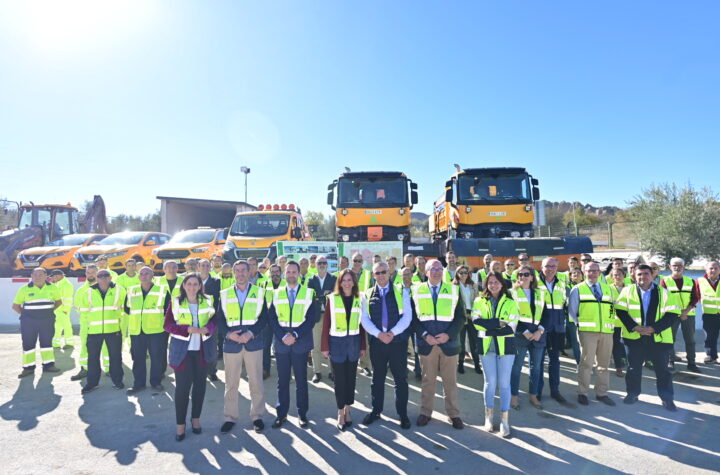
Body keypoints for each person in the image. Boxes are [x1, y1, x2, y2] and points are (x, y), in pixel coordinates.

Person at [615, 264, 679, 411]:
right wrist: (635, 327)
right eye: (639, 274)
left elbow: (672, 314)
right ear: (634, 276)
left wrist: (653, 328)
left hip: (657, 338)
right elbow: (621, 311)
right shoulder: (627, 291)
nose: (642, 277)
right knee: (633, 369)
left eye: (646, 274)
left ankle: (667, 399)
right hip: (634, 337)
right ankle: (632, 394)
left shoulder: (664, 292)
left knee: (663, 371)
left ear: (652, 275)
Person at [412, 259, 465, 429]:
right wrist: (425, 335)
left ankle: (454, 414)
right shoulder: (416, 290)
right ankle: (426, 412)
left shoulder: (454, 290)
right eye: (432, 269)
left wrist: (448, 335)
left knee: (450, 381)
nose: (436, 271)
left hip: (448, 344)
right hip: (427, 343)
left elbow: (460, 318)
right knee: (428, 381)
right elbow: (412, 318)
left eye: (439, 269)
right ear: (425, 272)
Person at [165, 273, 218, 441]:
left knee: (200, 387)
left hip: (202, 351)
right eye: (189, 284)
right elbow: (167, 325)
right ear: (184, 285)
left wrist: (208, 328)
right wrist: (186, 329)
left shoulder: (208, 301)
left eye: (196, 284)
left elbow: (215, 320)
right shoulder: (175, 302)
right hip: (183, 351)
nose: (192, 287)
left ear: (200, 286)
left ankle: (196, 420)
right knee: (182, 389)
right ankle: (180, 425)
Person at [361, 262, 413, 429]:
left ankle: (403, 414)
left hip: (397, 342)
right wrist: (379, 334)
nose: (381, 275)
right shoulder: (367, 294)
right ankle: (376, 411)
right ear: (373, 275)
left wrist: (392, 333)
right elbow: (364, 319)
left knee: (400, 380)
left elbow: (407, 317)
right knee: (377, 379)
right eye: (378, 273)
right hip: (377, 343)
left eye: (384, 272)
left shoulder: (401, 291)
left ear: (389, 273)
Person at [218, 260, 269, 434]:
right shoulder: (224, 294)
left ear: (249, 272)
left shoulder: (259, 292)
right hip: (231, 344)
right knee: (231, 384)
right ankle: (230, 417)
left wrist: (251, 333)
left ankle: (257, 416)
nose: (240, 274)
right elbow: (219, 320)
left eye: (243, 271)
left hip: (253, 343)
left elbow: (264, 318)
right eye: (237, 271)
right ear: (233, 273)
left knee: (256, 382)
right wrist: (228, 334)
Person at [268, 260, 317, 428]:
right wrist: (283, 336)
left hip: (300, 342)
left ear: (298, 273)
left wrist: (295, 334)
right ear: (284, 274)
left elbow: (312, 319)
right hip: (282, 343)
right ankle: (281, 415)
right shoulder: (276, 293)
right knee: (282, 381)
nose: (291, 275)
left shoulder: (309, 293)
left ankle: (302, 414)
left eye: (293, 272)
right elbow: (272, 319)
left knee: (301, 380)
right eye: (288, 272)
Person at [471, 272, 518, 438]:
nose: (493, 285)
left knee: (504, 383)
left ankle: (505, 420)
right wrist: (498, 323)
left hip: (506, 347)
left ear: (502, 284)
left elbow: (511, 327)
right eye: (490, 282)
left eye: (496, 282)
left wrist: (489, 326)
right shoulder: (478, 300)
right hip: (486, 348)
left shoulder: (511, 302)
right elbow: (476, 323)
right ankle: (489, 417)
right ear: (486, 284)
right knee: (490, 382)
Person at [321, 269, 367, 430]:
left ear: (354, 282)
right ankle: (340, 411)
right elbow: (326, 323)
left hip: (353, 344)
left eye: (349, 280)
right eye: (344, 280)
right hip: (337, 344)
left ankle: (348, 409)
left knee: (351, 380)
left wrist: (362, 345)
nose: (347, 283)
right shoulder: (332, 299)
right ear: (339, 283)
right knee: (339, 381)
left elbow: (362, 325)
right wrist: (325, 347)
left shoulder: (360, 299)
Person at [568, 261, 616, 406]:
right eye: (589, 271)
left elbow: (612, 309)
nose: (592, 273)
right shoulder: (577, 289)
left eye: (595, 271)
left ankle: (602, 393)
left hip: (606, 332)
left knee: (604, 365)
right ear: (584, 272)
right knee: (586, 363)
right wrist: (581, 325)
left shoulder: (608, 289)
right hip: (587, 332)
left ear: (599, 273)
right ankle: (582, 392)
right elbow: (572, 312)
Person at [76, 269, 127, 393]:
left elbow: (125, 307)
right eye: (100, 276)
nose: (103, 278)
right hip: (94, 331)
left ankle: (118, 381)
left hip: (113, 330)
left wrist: (116, 318)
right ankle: (92, 383)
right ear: (97, 278)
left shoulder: (120, 290)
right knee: (93, 358)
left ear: (110, 277)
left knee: (115, 358)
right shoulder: (88, 292)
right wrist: (90, 323)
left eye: (106, 275)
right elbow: (83, 311)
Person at [12, 268, 62, 378]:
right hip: (29, 323)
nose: (37, 277)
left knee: (47, 343)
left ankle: (48, 365)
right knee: (28, 344)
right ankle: (28, 368)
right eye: (35, 274)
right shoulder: (24, 289)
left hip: (47, 321)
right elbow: (15, 306)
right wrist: (26, 316)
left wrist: (48, 312)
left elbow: (58, 302)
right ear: (31, 276)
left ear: (46, 276)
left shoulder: (52, 288)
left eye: (40, 274)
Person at [509, 265, 546, 410]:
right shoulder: (512, 293)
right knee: (516, 367)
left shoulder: (540, 293)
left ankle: (533, 395)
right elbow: (510, 315)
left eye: (526, 274)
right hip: (520, 335)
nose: (522, 277)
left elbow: (546, 315)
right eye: (520, 275)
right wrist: (523, 331)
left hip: (538, 335)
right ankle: (514, 397)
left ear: (532, 277)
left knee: (536, 368)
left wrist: (540, 331)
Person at [125, 266, 167, 394]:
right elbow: (127, 309)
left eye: (147, 273)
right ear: (138, 276)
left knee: (156, 358)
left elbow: (168, 310)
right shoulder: (132, 291)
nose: (144, 276)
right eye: (142, 274)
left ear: (152, 276)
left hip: (156, 331)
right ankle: (139, 384)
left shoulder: (162, 290)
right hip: (137, 331)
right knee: (138, 359)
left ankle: (156, 382)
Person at [536, 258, 569, 404]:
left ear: (557, 267)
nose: (550, 269)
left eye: (553, 266)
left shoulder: (562, 283)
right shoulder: (534, 282)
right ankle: (537, 392)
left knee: (555, 361)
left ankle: (555, 391)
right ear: (541, 267)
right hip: (541, 327)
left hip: (557, 328)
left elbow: (564, 304)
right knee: (538, 361)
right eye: (547, 266)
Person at [659, 258, 700, 373]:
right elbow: (663, 299)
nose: (677, 268)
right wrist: (677, 313)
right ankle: (670, 361)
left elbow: (695, 298)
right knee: (670, 339)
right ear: (670, 267)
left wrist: (685, 312)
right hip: (671, 315)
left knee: (690, 340)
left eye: (679, 266)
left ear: (684, 267)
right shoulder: (665, 281)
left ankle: (691, 363)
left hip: (688, 315)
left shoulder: (690, 280)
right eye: (674, 265)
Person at [70, 265, 108, 381]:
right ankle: (85, 369)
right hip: (87, 326)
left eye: (93, 272)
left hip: (105, 325)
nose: (90, 275)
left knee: (106, 348)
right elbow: (78, 307)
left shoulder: (106, 288)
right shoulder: (81, 290)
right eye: (88, 272)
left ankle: (109, 368)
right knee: (85, 348)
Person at [308, 256, 337, 383]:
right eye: (320, 263)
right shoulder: (311, 279)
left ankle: (332, 372)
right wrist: (320, 296)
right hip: (316, 315)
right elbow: (309, 296)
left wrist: (329, 293)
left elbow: (337, 295)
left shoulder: (333, 279)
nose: (322, 265)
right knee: (315, 345)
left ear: (327, 265)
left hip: (330, 315)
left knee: (331, 344)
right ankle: (317, 372)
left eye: (324, 263)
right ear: (315, 264)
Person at [454, 265, 481, 374]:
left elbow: (478, 301)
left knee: (474, 341)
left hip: (472, 315)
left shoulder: (473, 285)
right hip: (460, 316)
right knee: (460, 341)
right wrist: (464, 314)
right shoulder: (454, 286)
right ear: (457, 274)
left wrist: (473, 314)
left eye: (466, 272)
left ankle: (477, 364)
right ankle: (460, 364)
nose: (464, 275)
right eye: (461, 272)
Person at [198, 259, 222, 381]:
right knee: (196, 348)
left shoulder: (217, 282)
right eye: (203, 265)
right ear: (198, 267)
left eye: (208, 265)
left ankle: (212, 371)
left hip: (211, 319)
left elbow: (218, 301)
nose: (205, 267)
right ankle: (199, 371)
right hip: (195, 320)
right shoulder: (192, 281)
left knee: (212, 347)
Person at [398, 266, 422, 380]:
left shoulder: (418, 288)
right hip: (402, 323)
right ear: (401, 276)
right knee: (402, 348)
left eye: (408, 274)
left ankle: (418, 371)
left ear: (412, 275)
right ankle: (403, 370)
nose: (406, 276)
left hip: (416, 322)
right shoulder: (397, 289)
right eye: (404, 274)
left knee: (417, 347)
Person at [350, 253, 373, 376]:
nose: (357, 263)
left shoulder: (368, 274)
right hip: (350, 309)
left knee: (364, 339)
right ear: (352, 261)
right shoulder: (347, 273)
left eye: (359, 260)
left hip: (364, 309)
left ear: (362, 262)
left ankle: (365, 365)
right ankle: (353, 363)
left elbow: (372, 289)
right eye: (355, 260)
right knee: (352, 338)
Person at [261, 264, 285, 378]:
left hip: (282, 320)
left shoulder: (287, 284)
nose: (275, 274)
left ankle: (284, 371)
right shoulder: (264, 284)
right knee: (266, 346)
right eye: (273, 272)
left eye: (277, 272)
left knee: (281, 347)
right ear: (269, 273)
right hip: (267, 320)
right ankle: (265, 370)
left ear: (280, 273)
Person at [697, 261, 720, 364]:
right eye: (711, 268)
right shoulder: (700, 281)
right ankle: (711, 356)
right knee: (710, 336)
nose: (713, 270)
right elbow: (695, 296)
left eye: (716, 268)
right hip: (709, 314)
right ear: (706, 270)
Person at [608, 267, 629, 377]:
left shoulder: (630, 288)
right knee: (617, 345)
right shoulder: (608, 288)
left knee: (629, 345)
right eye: (615, 275)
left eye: (619, 274)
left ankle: (629, 365)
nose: (617, 276)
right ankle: (619, 367)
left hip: (629, 322)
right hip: (615, 322)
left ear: (624, 275)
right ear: (611, 277)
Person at [116, 259, 140, 347]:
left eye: (133, 265)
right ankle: (119, 349)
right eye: (129, 265)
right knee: (122, 329)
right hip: (123, 308)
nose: (131, 267)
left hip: (136, 308)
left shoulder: (140, 277)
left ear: (136, 266)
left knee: (133, 329)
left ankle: (132, 347)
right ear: (125, 267)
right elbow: (119, 293)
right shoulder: (120, 278)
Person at [50, 270, 75, 349]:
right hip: (58, 310)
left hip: (63, 310)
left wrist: (66, 310)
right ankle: (56, 343)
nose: (52, 278)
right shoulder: (59, 284)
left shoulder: (66, 285)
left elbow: (68, 299)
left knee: (66, 326)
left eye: (53, 277)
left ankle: (69, 343)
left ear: (58, 276)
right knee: (57, 326)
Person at [563, 267, 583, 363]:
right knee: (576, 342)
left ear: (582, 275)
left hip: (586, 318)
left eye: (578, 272)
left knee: (586, 342)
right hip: (572, 319)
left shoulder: (586, 286)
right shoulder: (566, 287)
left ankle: (587, 362)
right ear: (570, 276)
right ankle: (579, 362)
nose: (576, 274)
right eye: (573, 273)